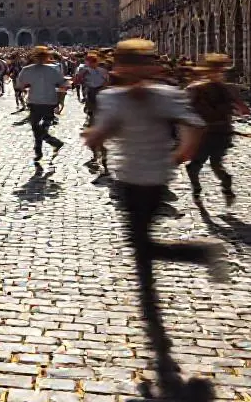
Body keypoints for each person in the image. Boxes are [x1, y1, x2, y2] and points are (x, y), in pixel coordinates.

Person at [83, 39, 228, 297]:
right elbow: (194, 126)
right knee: (141, 239)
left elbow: (193, 126)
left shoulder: (116, 96)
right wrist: (181, 154)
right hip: (140, 174)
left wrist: (94, 136)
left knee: (140, 241)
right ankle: (148, 292)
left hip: (141, 176)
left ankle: (197, 254)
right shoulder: (164, 94)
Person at [184, 54, 248, 207]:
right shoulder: (195, 88)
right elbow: (184, 110)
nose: (217, 73)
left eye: (220, 70)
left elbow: (244, 110)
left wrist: (235, 107)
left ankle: (226, 186)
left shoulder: (229, 89)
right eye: (214, 70)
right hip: (201, 134)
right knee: (194, 166)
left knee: (215, 164)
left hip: (221, 132)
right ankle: (197, 190)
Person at [15, 46, 69, 162]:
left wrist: (27, 86)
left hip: (35, 101)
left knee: (36, 127)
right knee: (42, 127)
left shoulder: (27, 69)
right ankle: (43, 147)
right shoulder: (53, 69)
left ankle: (40, 150)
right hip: (49, 101)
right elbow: (62, 84)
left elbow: (20, 85)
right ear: (47, 57)